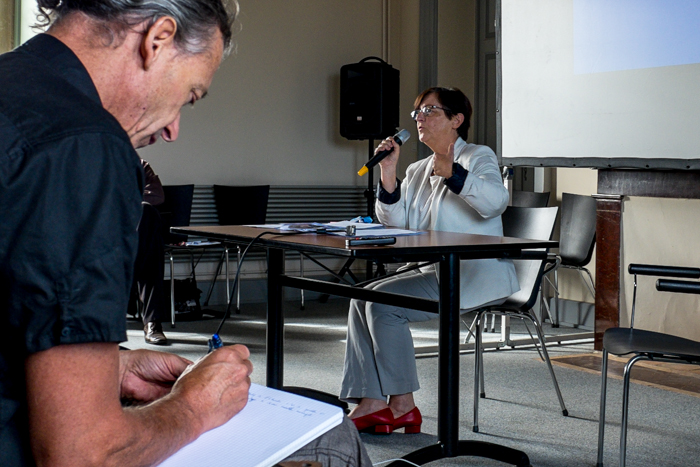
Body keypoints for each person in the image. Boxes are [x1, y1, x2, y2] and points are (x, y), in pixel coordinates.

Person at [0, 1, 370, 466]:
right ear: (158, 38)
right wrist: (194, 408)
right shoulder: (86, 146)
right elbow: (83, 455)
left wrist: (109, 368)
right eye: (190, 95)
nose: (174, 129)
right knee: (333, 438)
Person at [340, 87, 519, 434]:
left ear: (456, 120)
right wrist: (389, 174)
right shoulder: (420, 168)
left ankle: (402, 405)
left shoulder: (479, 156)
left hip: (474, 274)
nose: (420, 118)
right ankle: (373, 401)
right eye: (417, 113)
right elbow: (397, 223)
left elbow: (496, 202)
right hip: (435, 271)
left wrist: (454, 173)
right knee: (362, 296)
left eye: (430, 111)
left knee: (382, 307)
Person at [130, 159, 170, 345]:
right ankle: (152, 322)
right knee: (150, 249)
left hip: (134, 231)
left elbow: (157, 195)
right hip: (99, 229)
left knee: (147, 213)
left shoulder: (139, 164)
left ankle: (125, 278)